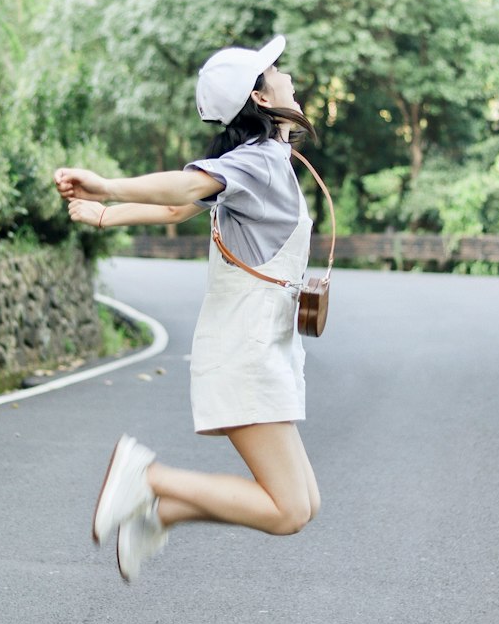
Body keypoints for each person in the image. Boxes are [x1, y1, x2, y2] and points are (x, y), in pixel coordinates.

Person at [53, 35, 322, 583]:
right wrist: (105, 185)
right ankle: (150, 480)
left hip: (261, 345)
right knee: (289, 509)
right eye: (274, 71)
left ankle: (161, 512)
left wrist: (106, 215)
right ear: (262, 99)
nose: (286, 74)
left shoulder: (263, 161)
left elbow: (179, 207)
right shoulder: (257, 163)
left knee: (306, 503)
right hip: (245, 350)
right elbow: (185, 185)